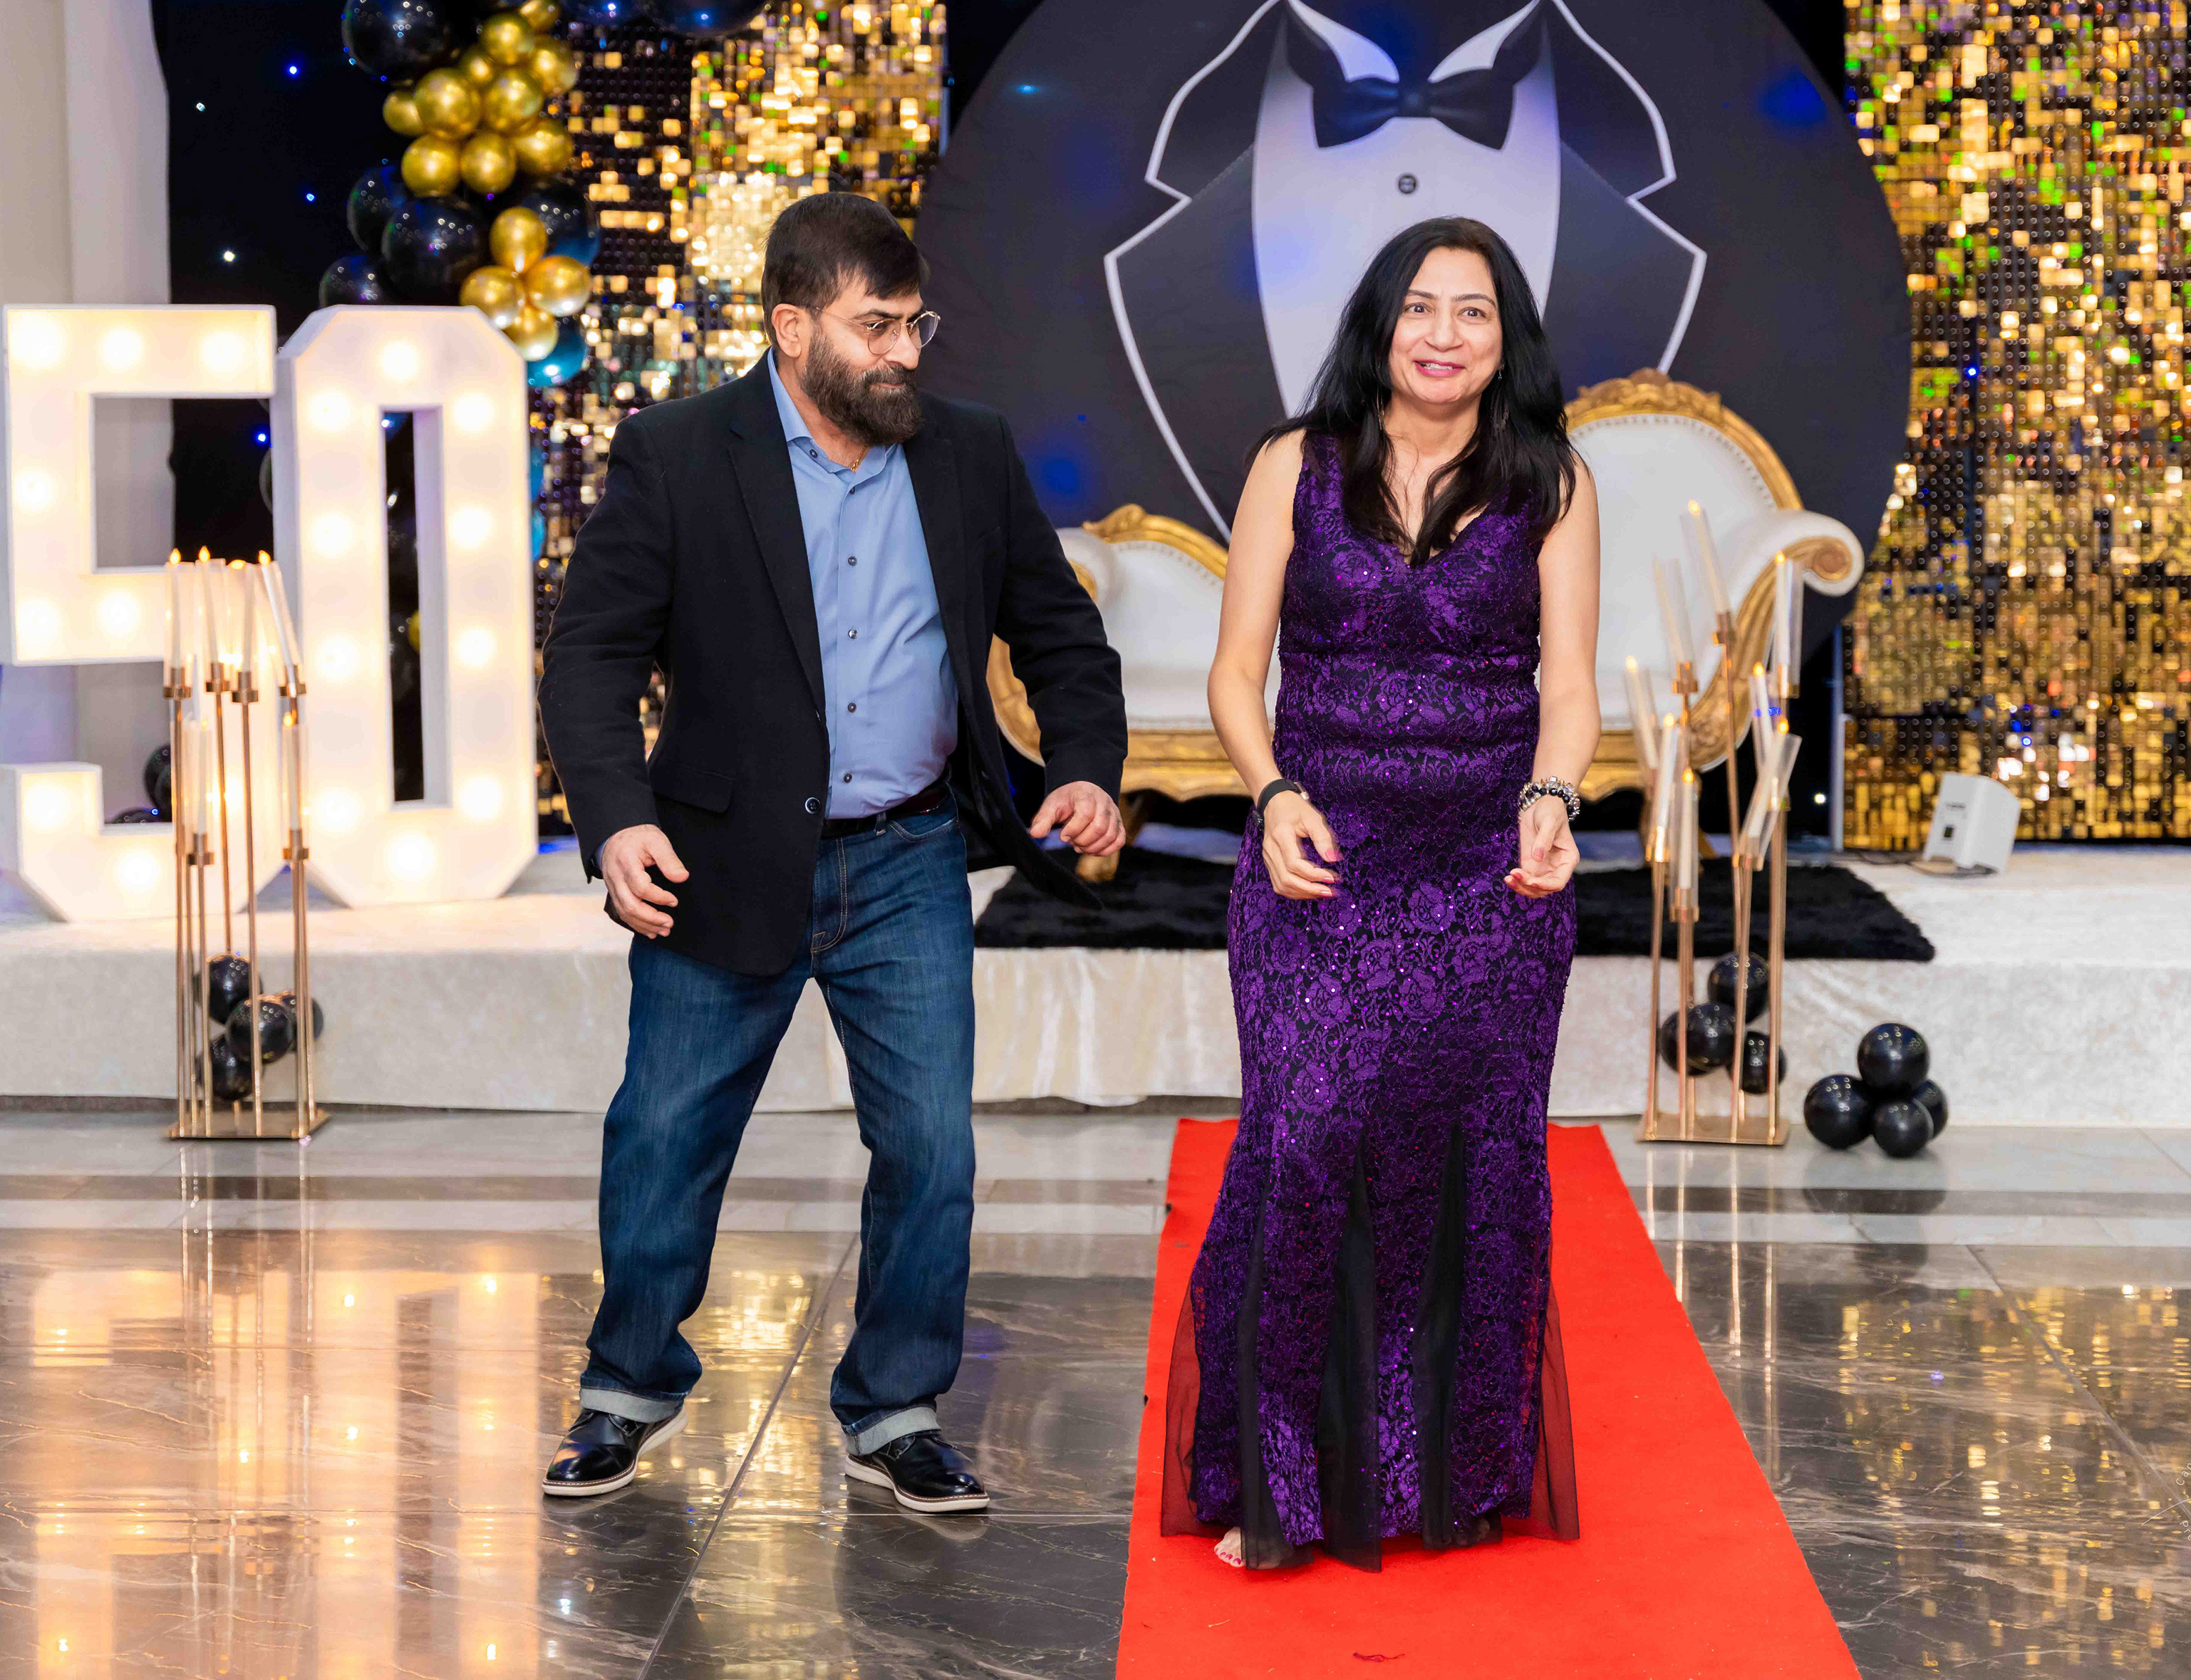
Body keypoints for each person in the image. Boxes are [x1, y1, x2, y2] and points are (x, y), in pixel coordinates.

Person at [537, 192, 1127, 1514]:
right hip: (717, 858)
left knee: (932, 1148)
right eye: (877, 327)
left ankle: (897, 1406)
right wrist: (617, 819)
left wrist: (1086, 767)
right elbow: (590, 658)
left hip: (908, 855)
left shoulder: (969, 453)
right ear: (792, 327)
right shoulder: (679, 453)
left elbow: (1061, 636)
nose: (905, 351)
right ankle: (627, 1386)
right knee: (666, 1135)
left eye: (917, 324)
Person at [1159, 217, 1600, 1570]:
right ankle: (1279, 1477)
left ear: (1506, 340)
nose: (1443, 334)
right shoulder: (1293, 465)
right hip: (1321, 858)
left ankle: (1434, 1472)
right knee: (1306, 1142)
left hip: (1485, 874)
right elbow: (1235, 672)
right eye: (1420, 307)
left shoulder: (1551, 480)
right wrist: (1271, 792)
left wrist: (1553, 797)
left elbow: (1571, 686)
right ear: (1378, 324)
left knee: (1467, 1159)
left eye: (1473, 312)